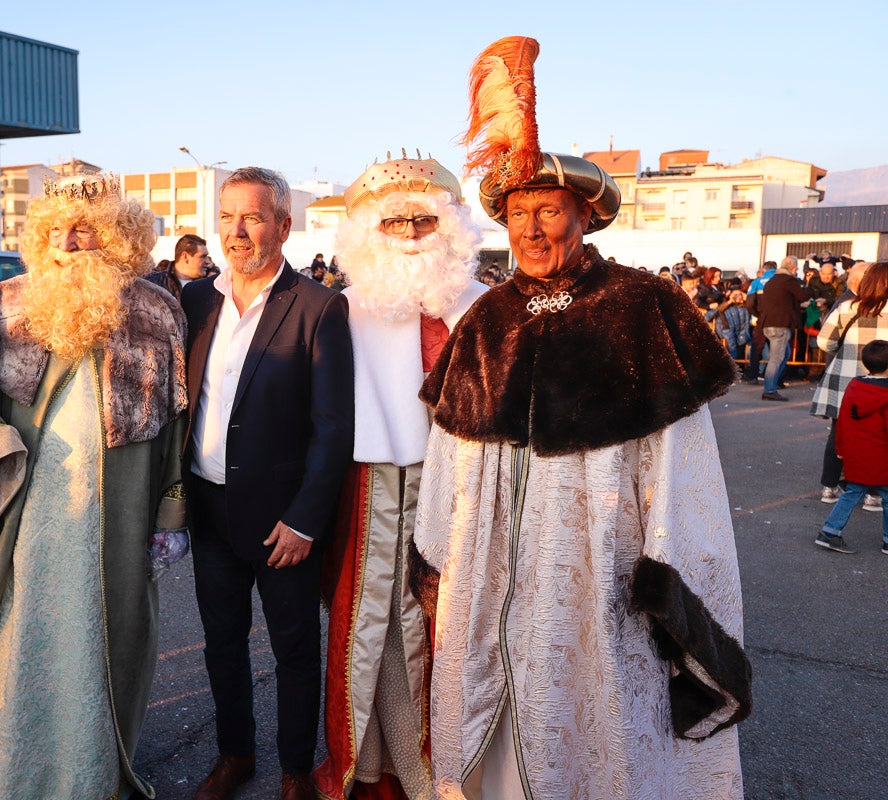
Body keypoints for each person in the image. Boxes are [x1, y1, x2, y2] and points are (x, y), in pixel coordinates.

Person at [413, 36, 750, 799]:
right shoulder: (486, 319)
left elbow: (681, 465)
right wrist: (445, 559)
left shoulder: (642, 307)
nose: (533, 231)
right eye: (519, 214)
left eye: (551, 211)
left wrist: (662, 568)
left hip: (603, 564)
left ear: (586, 216)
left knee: (601, 730)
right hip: (491, 569)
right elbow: (448, 458)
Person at [0, 174, 187, 800]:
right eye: (59, 226)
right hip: (24, 514)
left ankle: (93, 774)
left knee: (110, 636)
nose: (71, 240)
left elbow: (174, 428)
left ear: (118, 234)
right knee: (18, 634)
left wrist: (171, 514)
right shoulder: (10, 300)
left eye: (87, 226)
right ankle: (11, 775)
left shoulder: (158, 310)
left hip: (120, 513)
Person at [312, 154, 486, 800]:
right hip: (369, 488)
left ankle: (439, 771)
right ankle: (370, 763)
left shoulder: (483, 306)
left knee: (443, 629)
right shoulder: (342, 309)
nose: (411, 235)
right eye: (394, 223)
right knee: (371, 627)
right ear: (367, 231)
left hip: (460, 488)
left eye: (423, 220)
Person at [181, 166, 354, 800]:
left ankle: (293, 770)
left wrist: (306, 518)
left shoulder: (319, 306)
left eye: (252, 217)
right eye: (226, 217)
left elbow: (334, 427)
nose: (237, 231)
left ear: (284, 225)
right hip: (210, 508)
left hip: (284, 521)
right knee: (221, 644)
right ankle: (235, 756)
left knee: (295, 651)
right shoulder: (196, 299)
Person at [810, 262, 888, 508]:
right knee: (880, 438)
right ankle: (874, 494)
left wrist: (845, 352)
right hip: (882, 384)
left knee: (838, 433)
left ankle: (829, 487)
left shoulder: (847, 308)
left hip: (846, 381)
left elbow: (824, 342)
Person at [813, 339, 888, 553]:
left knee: (852, 492)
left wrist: (840, 448)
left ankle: (830, 531)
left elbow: (843, 421)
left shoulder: (855, 386)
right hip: (882, 457)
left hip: (856, 454)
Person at [747, 255, 809, 401]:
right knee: (776, 358)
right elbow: (803, 296)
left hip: (767, 323)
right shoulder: (788, 281)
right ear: (793, 268)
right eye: (797, 269)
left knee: (784, 354)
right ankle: (769, 389)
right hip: (780, 325)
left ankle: (772, 384)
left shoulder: (771, 282)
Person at [146, 233, 214, 302]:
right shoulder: (154, 284)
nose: (207, 261)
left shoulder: (210, 286)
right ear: (185, 256)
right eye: (203, 256)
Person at [741, 260, 778, 383]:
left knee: (756, 348)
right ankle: (777, 379)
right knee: (778, 350)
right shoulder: (782, 281)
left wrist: (758, 314)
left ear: (763, 270)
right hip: (779, 321)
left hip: (762, 320)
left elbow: (749, 304)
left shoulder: (756, 282)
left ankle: (753, 376)